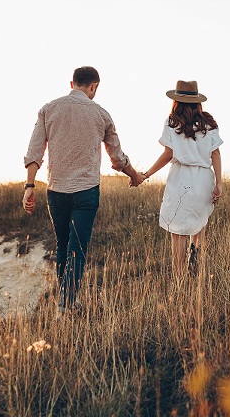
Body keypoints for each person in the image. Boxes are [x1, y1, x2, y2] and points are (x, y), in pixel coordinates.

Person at [23, 66, 144, 312]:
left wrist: (29, 185)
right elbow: (117, 157)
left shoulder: (49, 109)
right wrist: (135, 176)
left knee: (63, 245)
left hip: (56, 191)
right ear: (94, 86)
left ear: (71, 84)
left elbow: (35, 150)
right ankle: (67, 305)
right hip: (86, 191)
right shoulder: (101, 114)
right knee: (77, 248)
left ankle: (67, 302)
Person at [139, 80, 223, 277]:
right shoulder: (208, 123)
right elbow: (216, 154)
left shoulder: (172, 122)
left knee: (178, 232)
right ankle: (196, 256)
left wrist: (146, 174)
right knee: (199, 222)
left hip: (180, 177)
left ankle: (179, 278)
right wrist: (219, 183)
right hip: (203, 178)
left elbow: (168, 154)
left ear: (176, 101)